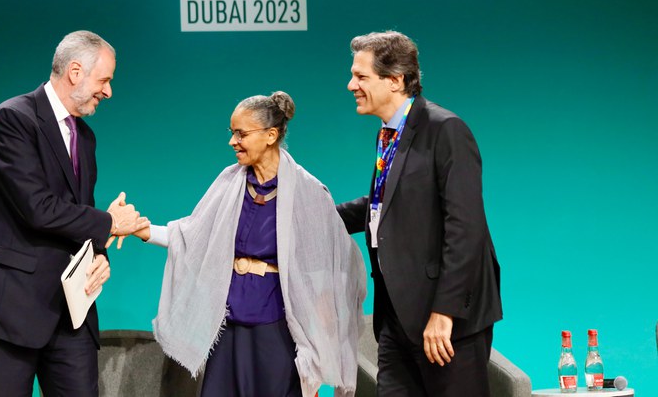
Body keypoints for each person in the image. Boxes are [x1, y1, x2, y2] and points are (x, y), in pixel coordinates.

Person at [0, 30, 149, 397]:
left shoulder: (84, 137)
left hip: (68, 311)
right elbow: (37, 208)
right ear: (74, 72)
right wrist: (110, 223)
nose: (108, 91)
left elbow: (74, 212)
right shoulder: (14, 119)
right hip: (6, 307)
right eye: (104, 80)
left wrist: (97, 253)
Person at [118, 91, 366, 397]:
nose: (233, 141)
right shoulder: (229, 182)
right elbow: (192, 235)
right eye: (232, 133)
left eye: (241, 134)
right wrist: (143, 231)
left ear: (271, 135)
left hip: (278, 327)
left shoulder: (309, 192)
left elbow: (327, 271)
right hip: (230, 322)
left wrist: (315, 357)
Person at [337, 31, 502, 397]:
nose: (351, 85)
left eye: (361, 77)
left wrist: (444, 313)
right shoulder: (390, 133)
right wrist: (319, 217)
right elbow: (385, 203)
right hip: (397, 316)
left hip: (444, 320)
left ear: (395, 80)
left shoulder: (446, 130)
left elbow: (466, 228)